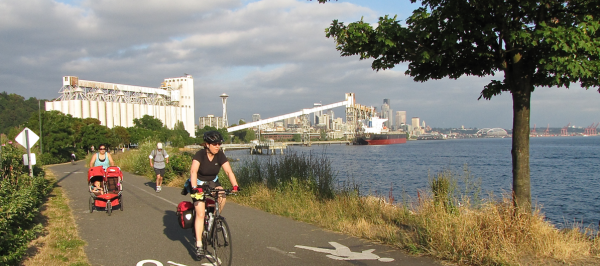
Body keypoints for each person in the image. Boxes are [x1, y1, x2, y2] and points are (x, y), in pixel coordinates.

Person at [189, 131, 239, 257]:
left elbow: (228, 171)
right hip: (199, 183)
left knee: (222, 195)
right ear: (207, 144)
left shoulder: (220, 155)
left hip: (212, 182)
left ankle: (214, 219)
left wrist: (235, 186)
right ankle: (199, 244)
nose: (218, 146)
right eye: (215, 144)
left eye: (219, 144)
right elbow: (194, 171)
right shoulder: (200, 155)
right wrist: (195, 187)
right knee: (200, 213)